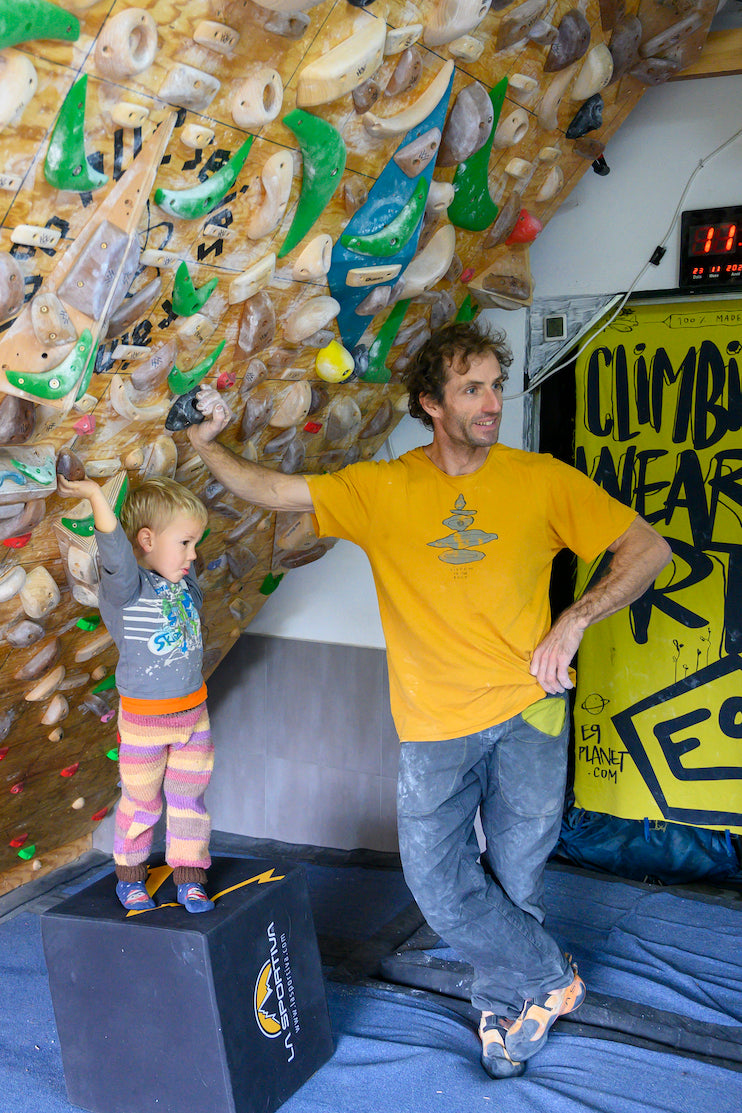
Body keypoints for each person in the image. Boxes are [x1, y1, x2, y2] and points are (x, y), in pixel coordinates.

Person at [186, 321, 672, 1075]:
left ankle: (505, 1004)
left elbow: (649, 548)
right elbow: (271, 489)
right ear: (430, 404)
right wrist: (205, 443)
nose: (490, 402)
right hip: (435, 724)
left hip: (531, 712)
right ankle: (551, 978)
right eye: (471, 388)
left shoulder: (540, 478)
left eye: (494, 386)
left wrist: (575, 620)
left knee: (516, 878)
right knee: (438, 882)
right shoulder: (381, 489)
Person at [58, 474, 216, 915]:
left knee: (189, 801)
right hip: (145, 722)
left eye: (194, 543)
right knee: (142, 801)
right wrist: (92, 495)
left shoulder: (185, 584)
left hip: (193, 717)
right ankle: (130, 876)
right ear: (146, 540)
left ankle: (189, 876)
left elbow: (186, 557)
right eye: (185, 543)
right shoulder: (126, 589)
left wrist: (185, 539)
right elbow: (114, 549)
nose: (193, 553)